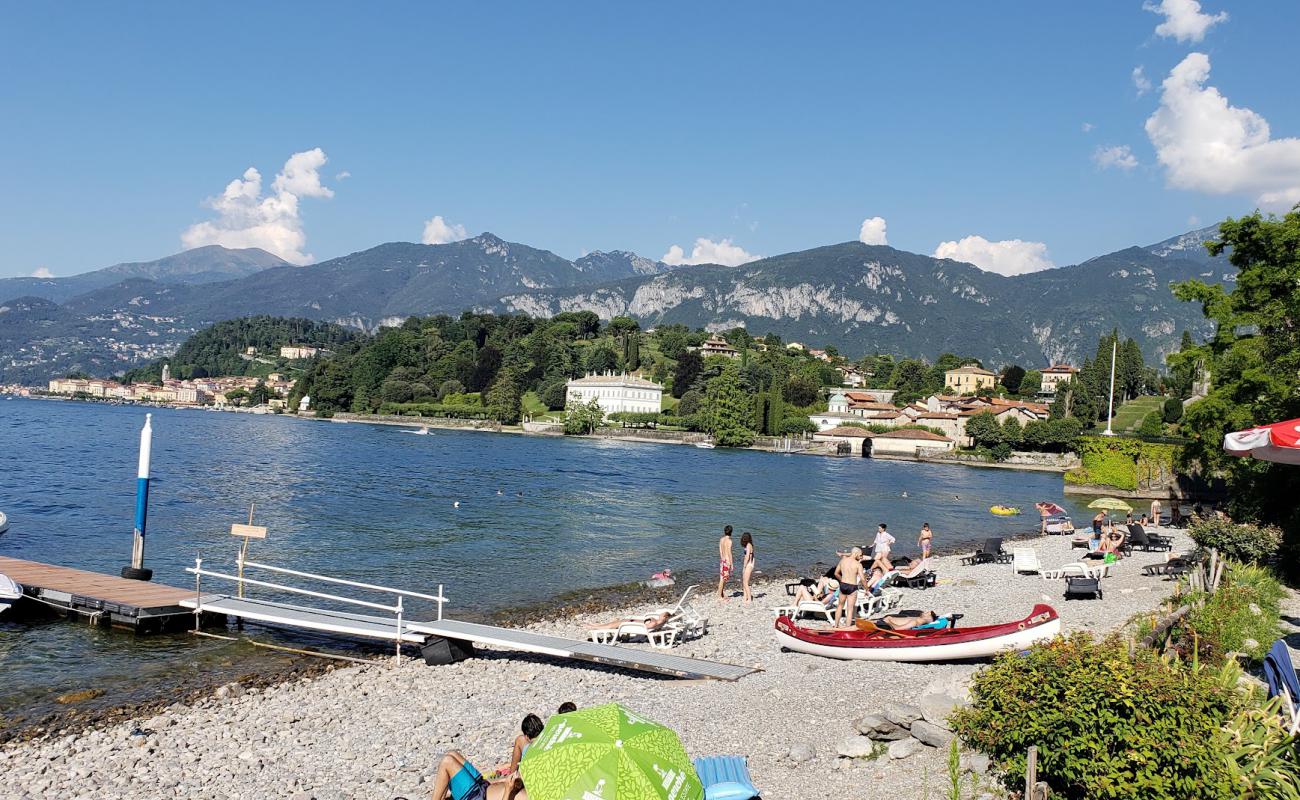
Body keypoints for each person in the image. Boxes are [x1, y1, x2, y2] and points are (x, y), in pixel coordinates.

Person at [428, 750, 526, 800]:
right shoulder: (535, 789)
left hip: (476, 797)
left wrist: (508, 789)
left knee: (447, 761)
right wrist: (502, 780)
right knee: (452, 753)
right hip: (483, 785)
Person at [833, 547, 865, 627]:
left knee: (840, 606)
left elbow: (836, 573)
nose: (861, 556)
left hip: (843, 585)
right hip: (852, 586)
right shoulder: (858, 564)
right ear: (856, 553)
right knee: (850, 609)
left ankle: (836, 625)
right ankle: (847, 627)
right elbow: (863, 579)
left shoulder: (843, 561)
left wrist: (842, 580)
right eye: (860, 554)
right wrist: (867, 589)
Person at [717, 525, 733, 600]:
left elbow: (720, 550)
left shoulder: (721, 539)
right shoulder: (729, 541)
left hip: (722, 560)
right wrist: (731, 564)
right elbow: (729, 553)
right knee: (723, 579)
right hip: (727, 561)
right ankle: (719, 596)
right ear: (731, 532)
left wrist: (722, 558)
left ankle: (721, 594)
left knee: (722, 577)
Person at [740, 531, 755, 603]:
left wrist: (744, 566)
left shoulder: (749, 545)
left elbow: (747, 556)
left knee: (745, 582)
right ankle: (745, 597)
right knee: (744, 581)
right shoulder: (749, 545)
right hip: (750, 563)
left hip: (749, 564)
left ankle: (749, 599)